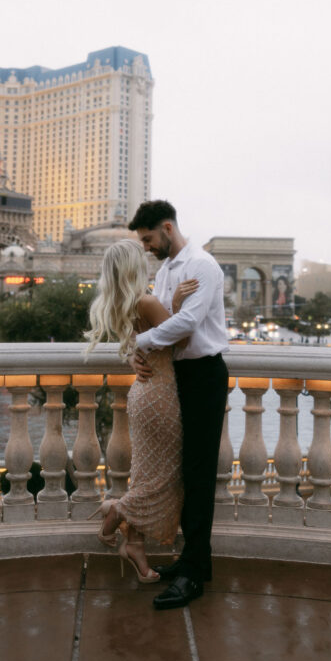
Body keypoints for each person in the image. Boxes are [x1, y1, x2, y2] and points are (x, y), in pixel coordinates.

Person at [128, 199, 229, 611]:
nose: (147, 247)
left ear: (167, 228)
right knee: (182, 470)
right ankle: (192, 562)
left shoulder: (202, 266)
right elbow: (165, 321)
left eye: (149, 239)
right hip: (176, 376)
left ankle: (192, 573)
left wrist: (142, 343)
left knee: (198, 472)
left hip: (204, 375)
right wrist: (144, 352)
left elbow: (185, 325)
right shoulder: (168, 271)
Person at [84, 239, 194, 583]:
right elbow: (183, 341)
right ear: (134, 268)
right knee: (165, 477)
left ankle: (134, 544)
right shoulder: (146, 302)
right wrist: (175, 306)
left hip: (143, 394)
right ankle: (117, 509)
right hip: (161, 395)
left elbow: (143, 343)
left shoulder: (122, 304)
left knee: (148, 474)